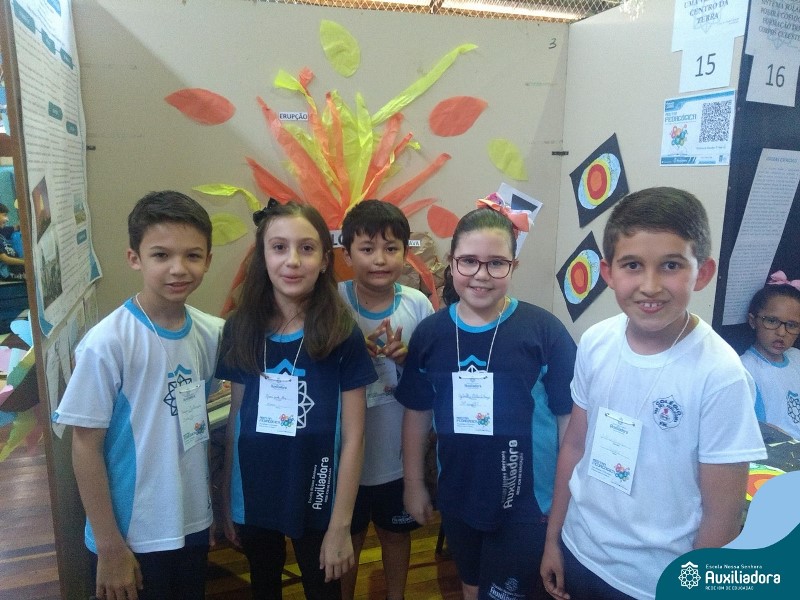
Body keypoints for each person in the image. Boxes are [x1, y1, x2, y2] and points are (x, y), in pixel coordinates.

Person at [540, 187, 768, 600]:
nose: (650, 285)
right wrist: (553, 538)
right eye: (633, 265)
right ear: (608, 272)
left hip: (655, 581)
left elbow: (722, 514)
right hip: (579, 549)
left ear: (703, 272)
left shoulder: (721, 375)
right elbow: (574, 446)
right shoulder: (595, 341)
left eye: (670, 265)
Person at [397, 199, 577, 600]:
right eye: (469, 262)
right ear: (451, 263)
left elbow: (570, 425)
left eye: (496, 263)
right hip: (459, 494)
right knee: (472, 585)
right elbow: (417, 414)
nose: (481, 274)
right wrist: (414, 483)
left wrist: (566, 503)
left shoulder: (543, 331)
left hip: (528, 504)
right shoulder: (431, 334)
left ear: (513, 266)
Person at [52, 191, 224, 600]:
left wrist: (209, 510)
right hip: (131, 533)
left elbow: (197, 427)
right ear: (135, 258)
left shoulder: (211, 333)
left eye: (192, 256)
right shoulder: (107, 343)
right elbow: (85, 446)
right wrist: (110, 546)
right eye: (161, 255)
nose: (178, 268)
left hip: (191, 523)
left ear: (208, 260)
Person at [215, 200, 376, 600]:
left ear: (324, 260)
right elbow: (236, 418)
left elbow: (354, 437)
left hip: (319, 491)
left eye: (306, 248)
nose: (292, 261)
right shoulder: (240, 328)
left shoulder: (342, 333)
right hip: (254, 491)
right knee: (264, 586)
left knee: (323, 591)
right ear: (263, 257)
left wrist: (341, 525)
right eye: (279, 247)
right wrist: (227, 497)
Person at [336, 199, 434, 600]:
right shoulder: (333, 303)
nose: (380, 259)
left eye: (391, 248)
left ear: (405, 253)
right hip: (346, 455)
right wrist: (349, 351)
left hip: (397, 451)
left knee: (396, 534)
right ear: (346, 254)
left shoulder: (418, 304)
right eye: (367, 248)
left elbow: (430, 375)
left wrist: (407, 359)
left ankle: (396, 594)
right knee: (349, 538)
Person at [740, 271, 800, 439]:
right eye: (772, 321)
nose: (781, 332)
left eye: (792, 325)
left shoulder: (796, 357)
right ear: (753, 321)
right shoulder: (744, 369)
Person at [0, 202, 25, 280]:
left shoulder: (2, 231)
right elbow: (6, 259)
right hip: (7, 273)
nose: (7, 219)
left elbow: (16, 227)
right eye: (4, 215)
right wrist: (26, 262)